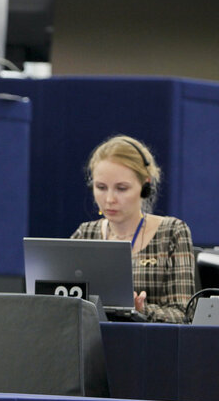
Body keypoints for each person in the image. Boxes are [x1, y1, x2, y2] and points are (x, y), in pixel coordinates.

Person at [71, 135, 195, 323]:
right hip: (91, 344)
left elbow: (184, 315)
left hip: (149, 345)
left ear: (145, 186)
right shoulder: (85, 234)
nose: (110, 199)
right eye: (101, 187)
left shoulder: (172, 233)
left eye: (121, 188)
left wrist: (141, 310)